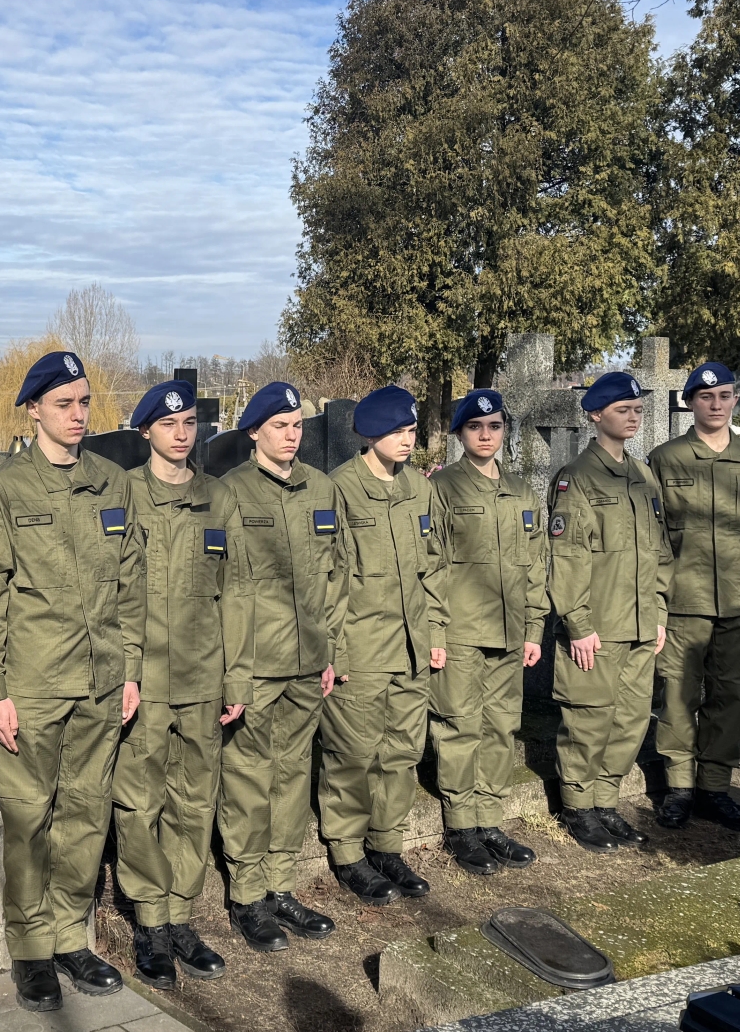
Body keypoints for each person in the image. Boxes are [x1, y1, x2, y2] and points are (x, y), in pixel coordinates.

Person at [0, 349, 143, 1012]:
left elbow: (131, 586)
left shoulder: (110, 484)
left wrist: (131, 669)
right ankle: (32, 949)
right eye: (64, 403)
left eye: (84, 402)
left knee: (86, 813)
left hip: (99, 682)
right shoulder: (7, 490)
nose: (77, 415)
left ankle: (70, 935)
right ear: (33, 408)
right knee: (29, 819)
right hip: (32, 687)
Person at [113, 380, 241, 989]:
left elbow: (237, 593)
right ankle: (148, 919)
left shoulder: (218, 500)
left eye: (190, 422)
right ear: (146, 433)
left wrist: (235, 675)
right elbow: (112, 593)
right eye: (170, 425)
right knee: (140, 800)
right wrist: (124, 673)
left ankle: (182, 914)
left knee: (196, 797)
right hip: (145, 680)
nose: (183, 433)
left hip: (203, 674)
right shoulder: (123, 496)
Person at [213, 381, 338, 952]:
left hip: (308, 662)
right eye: (280, 426)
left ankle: (281, 884)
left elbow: (335, 574)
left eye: (297, 427)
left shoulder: (320, 489)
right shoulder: (230, 495)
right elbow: (221, 589)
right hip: (256, 665)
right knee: (247, 778)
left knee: (292, 776)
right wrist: (233, 674)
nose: (291, 436)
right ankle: (246, 894)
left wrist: (329, 650)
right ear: (254, 432)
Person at [317, 385, 447, 905]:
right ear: (370, 434)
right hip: (362, 648)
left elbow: (435, 568)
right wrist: (337, 652)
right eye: (397, 431)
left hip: (412, 646)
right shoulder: (339, 490)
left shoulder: (420, 489)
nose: (407, 440)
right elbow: (329, 578)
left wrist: (436, 633)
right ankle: (348, 852)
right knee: (352, 754)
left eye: (412, 430)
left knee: (400, 752)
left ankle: (386, 844)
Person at [648, 363, 740, 832]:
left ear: (735, 400)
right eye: (705, 397)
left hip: (739, 602)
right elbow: (653, 536)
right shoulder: (666, 460)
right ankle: (679, 788)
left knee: (731, 697)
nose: (715, 404)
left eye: (724, 396)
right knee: (678, 698)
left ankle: (714, 788)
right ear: (690, 402)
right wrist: (656, 599)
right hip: (682, 600)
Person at [547, 370, 671, 853]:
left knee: (631, 719)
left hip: (640, 623)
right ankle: (577, 806)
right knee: (588, 719)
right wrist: (577, 623)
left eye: (638, 409)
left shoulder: (642, 476)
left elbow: (661, 551)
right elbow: (567, 557)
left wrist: (658, 612)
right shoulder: (575, 478)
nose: (634, 417)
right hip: (598, 624)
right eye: (623, 410)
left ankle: (605, 801)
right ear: (596, 415)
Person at [428, 388, 544, 876]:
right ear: (459, 434)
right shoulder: (442, 489)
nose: (486, 435)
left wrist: (535, 625)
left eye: (494, 426)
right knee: (459, 724)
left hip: (510, 628)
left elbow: (536, 563)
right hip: (460, 628)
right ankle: (460, 825)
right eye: (475, 427)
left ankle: (490, 818)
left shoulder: (521, 491)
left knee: (500, 724)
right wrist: (435, 630)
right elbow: (431, 565)